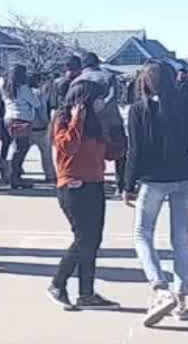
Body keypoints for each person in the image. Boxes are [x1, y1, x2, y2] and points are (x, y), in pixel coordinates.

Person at [124, 61, 188, 326]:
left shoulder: (139, 110)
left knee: (142, 234)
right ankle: (181, 296)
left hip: (154, 178)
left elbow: (134, 151)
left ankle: (160, 286)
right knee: (180, 237)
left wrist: (127, 184)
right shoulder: (186, 106)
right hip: (186, 175)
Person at [47, 80, 119, 311]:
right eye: (97, 99)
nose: (100, 104)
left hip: (95, 183)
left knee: (93, 241)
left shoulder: (95, 124)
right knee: (83, 239)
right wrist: (77, 118)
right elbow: (68, 147)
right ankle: (58, 284)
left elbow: (109, 154)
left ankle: (86, 292)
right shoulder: (63, 119)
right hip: (73, 186)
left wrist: (118, 137)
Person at [73, 53, 127, 197]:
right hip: (111, 121)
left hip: (87, 123)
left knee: (92, 155)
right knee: (120, 154)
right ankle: (121, 185)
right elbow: (116, 97)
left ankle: (95, 185)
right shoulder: (108, 77)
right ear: (97, 63)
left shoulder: (77, 80)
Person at [0, 64, 40, 190]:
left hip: (8, 118)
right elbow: (36, 103)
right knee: (21, 150)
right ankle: (15, 177)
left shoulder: (3, 84)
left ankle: (12, 175)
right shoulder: (23, 88)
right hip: (22, 119)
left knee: (16, 148)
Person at [28, 72, 55, 182]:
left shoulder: (22, 92)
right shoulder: (39, 93)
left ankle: (12, 172)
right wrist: (46, 122)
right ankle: (50, 175)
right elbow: (42, 109)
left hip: (26, 125)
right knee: (46, 153)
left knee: (19, 151)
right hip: (40, 127)